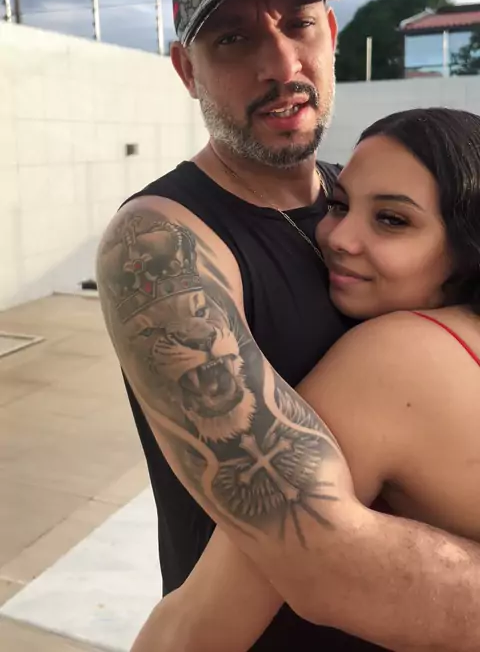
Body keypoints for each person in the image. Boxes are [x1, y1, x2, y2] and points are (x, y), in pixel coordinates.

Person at [96, 0, 480, 651]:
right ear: (187, 71)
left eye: (298, 24)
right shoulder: (163, 242)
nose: (280, 64)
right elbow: (324, 556)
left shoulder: (358, 196)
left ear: (330, 35)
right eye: (233, 38)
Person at [142, 106, 480, 652]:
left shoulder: (392, 359)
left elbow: (197, 626)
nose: (340, 237)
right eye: (339, 205)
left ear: (469, 247)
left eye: (392, 220)